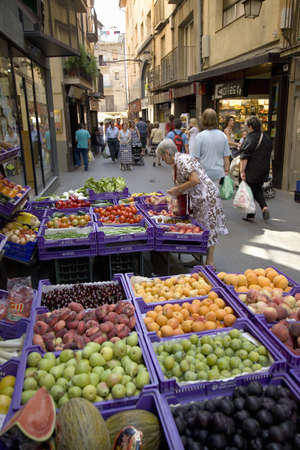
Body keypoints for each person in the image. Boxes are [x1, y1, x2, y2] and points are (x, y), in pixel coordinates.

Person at [156, 138, 228, 267]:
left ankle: (210, 262)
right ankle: (200, 259)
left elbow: (195, 180)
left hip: (207, 197)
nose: (163, 160)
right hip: (198, 198)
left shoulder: (183, 160)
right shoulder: (177, 163)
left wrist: (177, 189)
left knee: (208, 228)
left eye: (162, 157)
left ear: (167, 153)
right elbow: (182, 186)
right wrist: (165, 197)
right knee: (200, 227)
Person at [239, 116, 272, 221]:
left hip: (252, 169)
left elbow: (244, 156)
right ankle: (264, 207)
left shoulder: (250, 138)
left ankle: (250, 214)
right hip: (264, 168)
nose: (245, 127)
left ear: (250, 126)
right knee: (257, 188)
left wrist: (242, 171)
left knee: (248, 189)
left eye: (246, 125)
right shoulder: (266, 137)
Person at [193, 109, 230, 186]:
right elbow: (226, 157)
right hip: (219, 173)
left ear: (204, 120)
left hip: (203, 173)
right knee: (216, 195)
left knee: (204, 196)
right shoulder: (223, 136)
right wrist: (226, 172)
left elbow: (196, 159)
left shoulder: (199, 136)